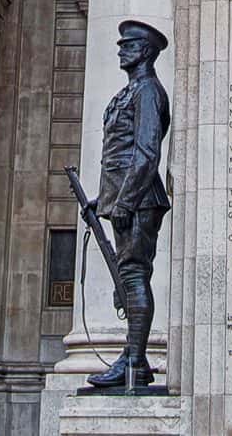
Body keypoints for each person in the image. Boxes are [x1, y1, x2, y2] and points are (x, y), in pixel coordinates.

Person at [86, 20, 171, 392]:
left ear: (146, 51)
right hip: (125, 199)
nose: (121, 50)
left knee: (134, 275)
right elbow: (118, 155)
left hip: (138, 200)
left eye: (129, 46)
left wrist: (124, 201)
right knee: (130, 276)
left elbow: (146, 153)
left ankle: (134, 360)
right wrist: (103, 200)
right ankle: (133, 357)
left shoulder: (149, 91)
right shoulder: (131, 92)